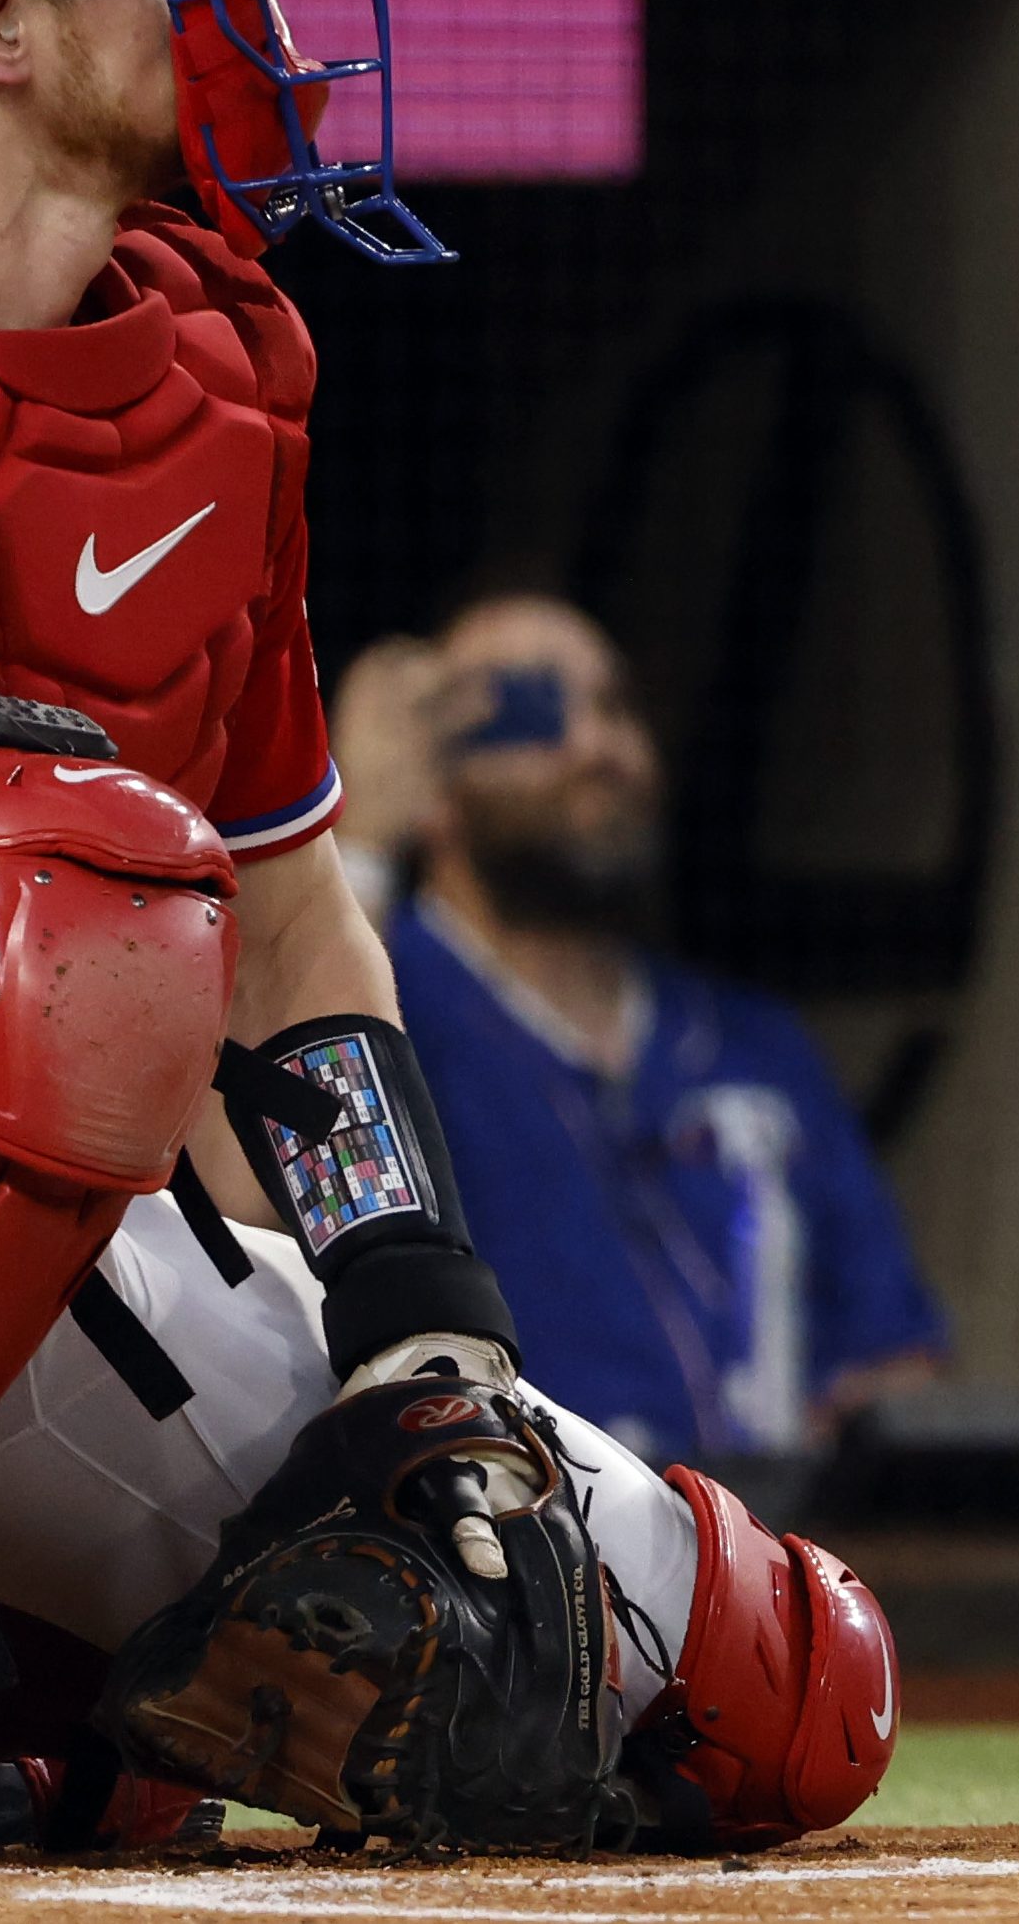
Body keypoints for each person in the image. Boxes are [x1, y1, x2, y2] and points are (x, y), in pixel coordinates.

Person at [0, 0, 886, 1867]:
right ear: (4, 27)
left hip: (4, 1236)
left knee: (770, 1683)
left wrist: (414, 1315)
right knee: (45, 859)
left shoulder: (217, 394)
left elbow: (298, 917)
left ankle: (1, 1684)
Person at [355, 593, 951, 1466]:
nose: (598, 747)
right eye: (535, 708)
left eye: (618, 708)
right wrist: (360, 835)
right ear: (431, 780)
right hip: (507, 1565)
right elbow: (267, 1169)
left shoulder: (753, 1044)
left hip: (758, 1571)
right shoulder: (389, 1006)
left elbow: (892, 1355)